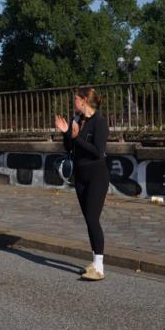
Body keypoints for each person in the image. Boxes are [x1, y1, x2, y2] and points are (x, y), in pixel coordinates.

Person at [55, 86, 110, 281]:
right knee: (88, 219)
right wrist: (66, 133)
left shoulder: (99, 123)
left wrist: (77, 137)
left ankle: (100, 267)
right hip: (80, 175)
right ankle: (94, 262)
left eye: (76, 100)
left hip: (97, 176)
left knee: (93, 219)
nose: (74, 103)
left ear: (85, 100)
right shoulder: (77, 120)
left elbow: (98, 151)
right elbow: (70, 147)